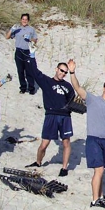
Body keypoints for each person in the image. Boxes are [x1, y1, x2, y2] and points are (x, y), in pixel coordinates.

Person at [67, 58, 105, 208]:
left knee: (102, 171)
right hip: (93, 140)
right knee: (98, 170)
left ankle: (100, 196)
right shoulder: (93, 100)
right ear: (103, 87)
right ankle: (95, 200)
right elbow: (77, 88)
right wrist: (72, 72)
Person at [24, 43, 75, 176]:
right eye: (61, 70)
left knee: (66, 142)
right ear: (56, 69)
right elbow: (34, 71)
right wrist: (32, 54)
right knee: (44, 144)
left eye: (65, 72)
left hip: (65, 117)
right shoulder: (47, 81)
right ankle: (38, 162)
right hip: (51, 115)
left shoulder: (68, 86)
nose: (63, 73)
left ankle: (64, 168)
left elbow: (72, 100)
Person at [5, 13, 38, 94]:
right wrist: (12, 29)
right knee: (20, 71)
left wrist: (30, 38)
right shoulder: (17, 28)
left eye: (26, 19)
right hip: (19, 51)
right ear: (21, 20)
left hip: (28, 51)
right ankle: (23, 88)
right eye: (23, 19)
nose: (24, 21)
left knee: (29, 71)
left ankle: (31, 88)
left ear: (28, 21)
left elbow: (35, 40)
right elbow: (7, 37)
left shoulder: (31, 29)